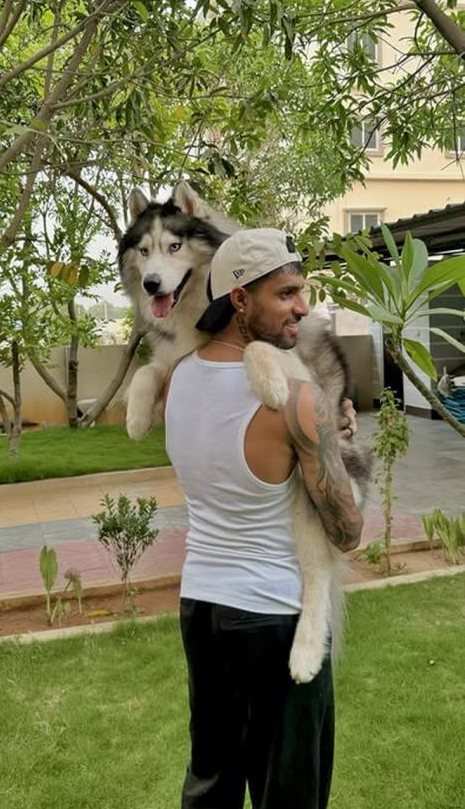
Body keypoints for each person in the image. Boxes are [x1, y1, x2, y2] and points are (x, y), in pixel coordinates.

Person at [164, 228, 363, 809]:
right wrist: (328, 433)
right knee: (290, 794)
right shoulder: (297, 400)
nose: (303, 306)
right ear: (241, 299)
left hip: (201, 608)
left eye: (302, 292)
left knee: (212, 782)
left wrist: (323, 429)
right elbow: (346, 531)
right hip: (275, 618)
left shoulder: (178, 379)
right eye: (286, 294)